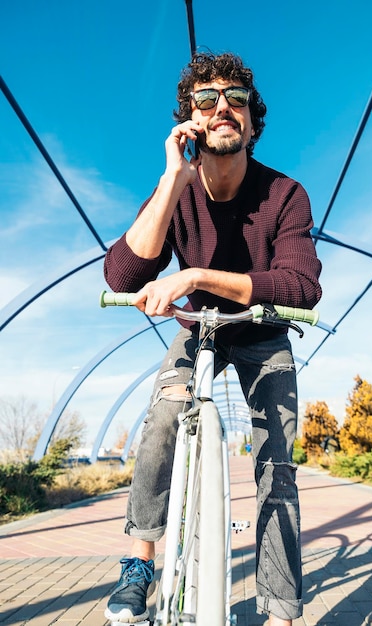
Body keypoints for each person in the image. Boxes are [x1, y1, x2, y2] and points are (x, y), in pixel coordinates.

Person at [104, 51, 322, 626]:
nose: (221, 107)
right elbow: (123, 275)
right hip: (199, 328)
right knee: (163, 413)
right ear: (190, 120)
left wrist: (196, 275)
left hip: (264, 328)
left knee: (277, 459)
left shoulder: (285, 193)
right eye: (206, 100)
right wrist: (171, 179)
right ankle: (140, 562)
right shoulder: (175, 192)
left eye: (236, 100)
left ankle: (280, 612)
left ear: (253, 121)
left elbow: (301, 285)